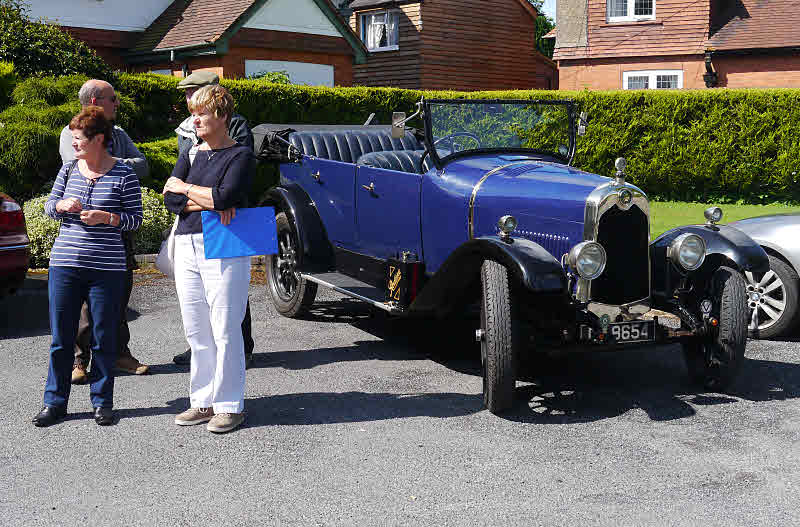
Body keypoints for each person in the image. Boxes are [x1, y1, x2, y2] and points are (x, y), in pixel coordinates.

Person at [33, 106, 144, 427]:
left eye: (79, 139)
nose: (74, 143)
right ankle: (54, 403)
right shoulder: (68, 169)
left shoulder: (123, 173)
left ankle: (102, 402)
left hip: (107, 270)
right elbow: (50, 207)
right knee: (61, 338)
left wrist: (106, 217)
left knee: (104, 337)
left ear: (98, 139)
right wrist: (61, 205)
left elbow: (135, 219)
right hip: (65, 265)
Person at [163, 85, 254, 433]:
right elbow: (171, 199)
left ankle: (229, 405)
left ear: (222, 116)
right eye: (193, 113)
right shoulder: (190, 152)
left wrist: (186, 189)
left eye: (202, 113)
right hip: (187, 243)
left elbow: (227, 195)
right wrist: (203, 198)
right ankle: (201, 401)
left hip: (226, 244)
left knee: (226, 327)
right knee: (197, 328)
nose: (195, 119)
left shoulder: (241, 155)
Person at [59, 79, 150, 383]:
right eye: (113, 99)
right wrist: (117, 166)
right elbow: (78, 165)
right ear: (96, 101)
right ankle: (79, 360)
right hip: (84, 235)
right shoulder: (70, 134)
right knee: (86, 302)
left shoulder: (119, 134)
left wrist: (113, 163)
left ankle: (119, 354)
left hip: (117, 231)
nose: (118, 103)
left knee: (119, 293)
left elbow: (143, 165)